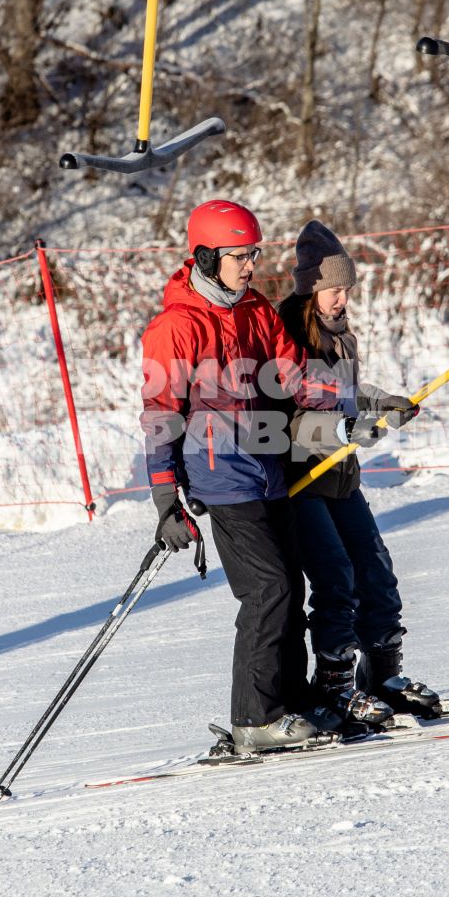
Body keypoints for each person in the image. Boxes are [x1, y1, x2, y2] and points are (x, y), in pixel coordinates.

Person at [140, 199, 346, 755]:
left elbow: (294, 378)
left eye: (253, 254)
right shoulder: (176, 326)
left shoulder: (254, 310)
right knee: (267, 589)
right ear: (206, 258)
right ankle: (255, 718)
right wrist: (166, 500)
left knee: (291, 587)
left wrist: (358, 403)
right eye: (238, 256)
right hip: (219, 476)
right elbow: (161, 412)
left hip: (267, 469)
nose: (250, 265)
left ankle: (293, 703)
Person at [276, 220, 438, 729]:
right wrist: (345, 428)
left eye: (346, 289)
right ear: (310, 289)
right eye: (333, 290)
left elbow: (340, 390)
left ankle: (383, 677)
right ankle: (336, 689)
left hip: (342, 477)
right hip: (302, 481)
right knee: (336, 581)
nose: (342, 298)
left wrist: (377, 400)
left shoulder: (339, 335)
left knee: (377, 571)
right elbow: (292, 418)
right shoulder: (287, 336)